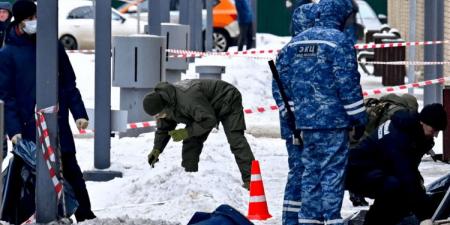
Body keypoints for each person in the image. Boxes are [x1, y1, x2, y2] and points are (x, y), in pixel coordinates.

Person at [0, 1, 96, 222]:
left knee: (69, 167)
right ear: (21, 21)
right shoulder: (7, 54)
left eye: (37, 17)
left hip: (57, 122)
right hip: (27, 126)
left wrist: (79, 113)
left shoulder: (51, 45)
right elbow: (7, 97)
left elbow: (68, 83)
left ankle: (85, 214)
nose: (35, 22)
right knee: (30, 173)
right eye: (31, 18)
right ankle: (26, 215)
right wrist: (13, 130)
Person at [277, 0, 368, 224]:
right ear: (339, 15)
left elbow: (283, 89)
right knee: (333, 172)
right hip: (333, 122)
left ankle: (308, 219)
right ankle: (332, 219)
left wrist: (292, 118)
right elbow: (347, 85)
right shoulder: (339, 42)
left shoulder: (293, 45)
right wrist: (359, 118)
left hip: (304, 124)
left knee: (309, 172)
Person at [345, 103, 448, 225]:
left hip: (377, 170)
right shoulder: (399, 137)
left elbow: (409, 171)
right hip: (357, 172)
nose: (435, 135)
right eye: (434, 130)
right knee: (395, 188)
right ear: (423, 122)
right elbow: (406, 175)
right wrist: (424, 216)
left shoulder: (412, 130)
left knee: (405, 191)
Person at [142, 79, 255, 189]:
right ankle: (190, 178)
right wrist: (157, 149)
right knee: (191, 141)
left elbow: (209, 120)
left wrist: (187, 132)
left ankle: (252, 181)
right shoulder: (166, 104)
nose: (157, 118)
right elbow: (163, 129)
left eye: (158, 115)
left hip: (227, 98)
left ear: (164, 107)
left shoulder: (186, 100)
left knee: (236, 140)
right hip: (204, 109)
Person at [272, 3, 317, 225]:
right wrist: (293, 118)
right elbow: (280, 90)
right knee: (301, 170)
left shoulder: (292, 49)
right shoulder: (294, 50)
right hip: (298, 126)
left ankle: (298, 218)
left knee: (302, 171)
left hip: (303, 122)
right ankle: (292, 219)